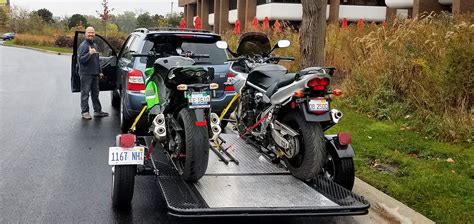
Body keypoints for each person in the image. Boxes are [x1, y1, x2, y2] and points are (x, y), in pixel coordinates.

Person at [78, 26, 109, 120]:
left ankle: (97, 111)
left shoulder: (94, 45)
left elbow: (97, 60)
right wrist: (89, 54)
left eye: (92, 32)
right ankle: (85, 112)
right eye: (89, 32)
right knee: (85, 94)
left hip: (95, 74)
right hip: (86, 74)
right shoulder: (83, 45)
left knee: (95, 93)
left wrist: (100, 72)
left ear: (94, 34)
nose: (91, 34)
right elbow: (81, 60)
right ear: (85, 34)